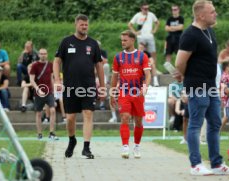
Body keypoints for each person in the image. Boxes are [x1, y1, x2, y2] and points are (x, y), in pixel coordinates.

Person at [175, 0, 229, 175]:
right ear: (201, 15)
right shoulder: (190, 34)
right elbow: (179, 62)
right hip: (196, 85)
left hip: (211, 86)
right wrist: (184, 79)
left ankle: (217, 164)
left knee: (215, 123)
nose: (215, 13)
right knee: (195, 124)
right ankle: (195, 164)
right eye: (212, 11)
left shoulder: (209, 31)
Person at [53, 14, 105, 159]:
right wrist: (57, 80)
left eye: (86, 25)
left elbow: (99, 65)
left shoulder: (93, 44)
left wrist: (101, 86)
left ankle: (86, 148)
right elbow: (56, 62)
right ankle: (72, 140)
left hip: (88, 86)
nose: (84, 27)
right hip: (70, 86)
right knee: (70, 118)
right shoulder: (66, 42)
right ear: (76, 25)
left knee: (88, 114)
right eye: (82, 24)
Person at [110, 30, 151, 159]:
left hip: (138, 93)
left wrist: (144, 87)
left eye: (125, 40)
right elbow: (114, 76)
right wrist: (112, 93)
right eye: (121, 40)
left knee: (138, 121)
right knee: (125, 117)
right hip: (124, 92)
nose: (123, 42)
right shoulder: (118, 57)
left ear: (133, 40)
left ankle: (137, 146)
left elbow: (148, 75)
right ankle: (125, 146)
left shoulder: (142, 56)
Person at [29, 48, 58, 141]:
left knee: (53, 110)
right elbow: (32, 80)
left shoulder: (50, 65)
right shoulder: (34, 65)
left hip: (49, 91)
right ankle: (39, 134)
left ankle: (52, 133)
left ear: (47, 54)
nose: (43, 55)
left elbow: (51, 78)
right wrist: (38, 89)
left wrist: (54, 91)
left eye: (44, 53)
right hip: (38, 92)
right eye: (41, 54)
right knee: (38, 113)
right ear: (38, 55)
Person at [128, 3, 159, 72]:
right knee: (141, 53)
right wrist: (135, 32)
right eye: (145, 9)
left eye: (147, 8)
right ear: (141, 8)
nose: (146, 10)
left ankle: (154, 69)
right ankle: (140, 68)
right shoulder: (137, 15)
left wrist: (154, 31)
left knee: (153, 52)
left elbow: (157, 22)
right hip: (141, 37)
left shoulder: (151, 14)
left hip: (150, 36)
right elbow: (130, 24)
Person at [164, 5, 184, 70]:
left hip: (178, 38)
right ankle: (169, 70)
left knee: (178, 53)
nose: (174, 11)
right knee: (168, 53)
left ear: (178, 10)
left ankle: (179, 69)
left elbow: (181, 27)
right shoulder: (169, 19)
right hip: (170, 38)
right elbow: (166, 28)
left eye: (175, 9)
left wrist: (171, 28)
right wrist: (176, 28)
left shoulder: (181, 18)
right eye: (173, 10)